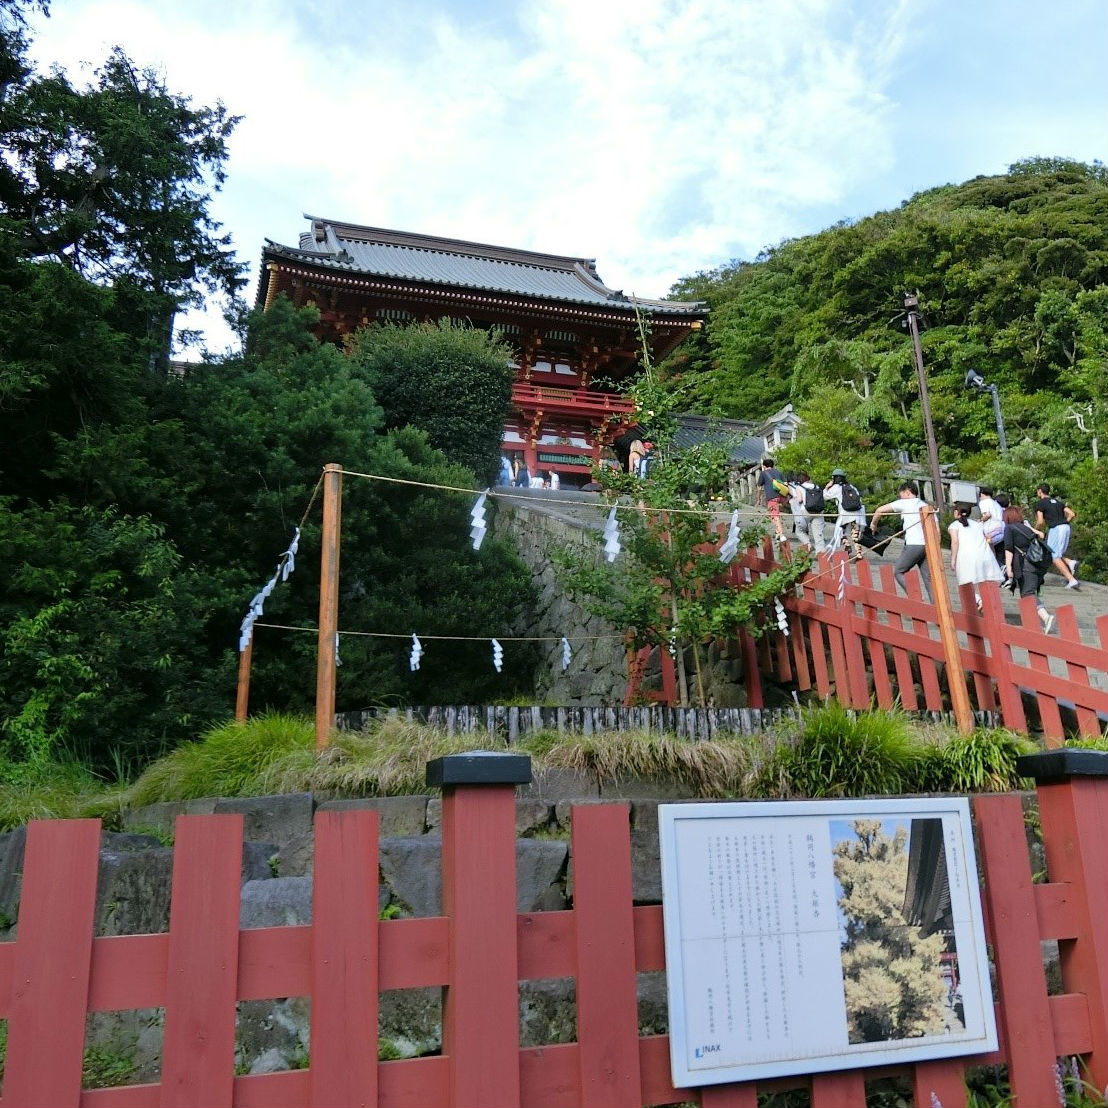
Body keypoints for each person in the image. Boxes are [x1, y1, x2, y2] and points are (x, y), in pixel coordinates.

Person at [869, 481, 934, 602]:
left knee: (899, 571)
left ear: (907, 492)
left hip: (914, 544)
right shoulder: (926, 506)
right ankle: (936, 607)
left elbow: (879, 510)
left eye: (901, 494)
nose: (900, 497)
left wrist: (873, 525)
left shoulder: (905, 503)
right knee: (928, 578)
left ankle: (915, 596)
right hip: (928, 545)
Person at [1003, 506, 1055, 633]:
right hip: (1037, 565)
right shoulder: (1025, 527)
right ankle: (1032, 624)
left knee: (1028, 593)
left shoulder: (1009, 528)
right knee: (1028, 593)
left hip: (1025, 565)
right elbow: (1041, 535)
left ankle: (1046, 617)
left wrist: (1009, 568)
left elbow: (1009, 548)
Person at [949, 502, 1004, 610]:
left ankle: (979, 600)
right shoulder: (977, 524)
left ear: (956, 512)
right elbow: (987, 540)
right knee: (984, 581)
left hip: (967, 557)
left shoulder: (954, 525)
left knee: (965, 584)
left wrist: (953, 559)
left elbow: (955, 542)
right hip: (985, 555)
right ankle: (985, 602)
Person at [1033, 483, 1080, 589]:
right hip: (1066, 527)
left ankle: (1072, 580)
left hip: (1056, 529)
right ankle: (1070, 562)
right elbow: (1072, 514)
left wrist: (1035, 530)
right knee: (1055, 552)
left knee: (1054, 556)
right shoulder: (1058, 502)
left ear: (1040, 491)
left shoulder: (1041, 503)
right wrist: (1064, 522)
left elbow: (1040, 521)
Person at [824, 468, 865, 558]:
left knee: (840, 531)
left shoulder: (836, 488)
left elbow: (825, 496)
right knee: (855, 534)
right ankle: (859, 553)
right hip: (857, 514)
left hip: (845, 514)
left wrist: (827, 487)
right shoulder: (852, 487)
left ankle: (847, 544)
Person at [791, 471, 826, 554]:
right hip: (819, 511)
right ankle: (820, 553)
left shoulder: (799, 487)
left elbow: (799, 500)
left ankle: (808, 544)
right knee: (818, 533)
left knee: (799, 530)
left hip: (806, 511)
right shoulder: (816, 486)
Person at [756, 457, 789, 542]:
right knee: (774, 515)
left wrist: (759, 498)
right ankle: (777, 533)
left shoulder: (763, 473)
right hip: (782, 496)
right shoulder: (778, 472)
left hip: (772, 497)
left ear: (764, 466)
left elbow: (759, 487)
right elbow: (785, 483)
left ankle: (781, 535)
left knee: (774, 516)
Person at [976, 486, 1005, 568]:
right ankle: (1002, 570)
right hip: (1000, 530)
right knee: (999, 555)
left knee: (989, 554)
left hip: (990, 532)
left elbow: (987, 514)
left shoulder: (984, 502)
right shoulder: (996, 504)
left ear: (981, 494)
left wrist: (981, 520)